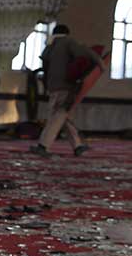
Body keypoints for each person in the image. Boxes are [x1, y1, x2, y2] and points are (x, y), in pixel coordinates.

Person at [30, 24, 105, 157]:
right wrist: (100, 63)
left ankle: (78, 146)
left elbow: (44, 63)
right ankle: (43, 145)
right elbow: (85, 52)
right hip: (66, 87)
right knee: (59, 116)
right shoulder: (68, 42)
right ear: (67, 33)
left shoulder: (50, 45)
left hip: (52, 87)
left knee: (64, 118)